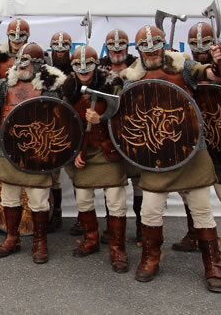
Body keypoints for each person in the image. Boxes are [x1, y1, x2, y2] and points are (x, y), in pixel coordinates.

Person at [121, 25, 221, 293]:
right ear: (139, 50)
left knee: (202, 209)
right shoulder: (133, 76)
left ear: (162, 45)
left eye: (156, 45)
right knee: (150, 210)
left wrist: (217, 62)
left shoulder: (183, 66)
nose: (152, 51)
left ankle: (213, 263)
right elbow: (123, 111)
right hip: (155, 154)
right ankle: (151, 257)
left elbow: (210, 75)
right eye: (145, 47)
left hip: (190, 149)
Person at [0, 42, 66, 264]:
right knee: (9, 197)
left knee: (38, 200)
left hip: (37, 152)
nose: (20, 66)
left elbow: (58, 120)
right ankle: (12, 237)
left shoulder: (50, 88)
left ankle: (40, 242)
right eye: (18, 62)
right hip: (9, 149)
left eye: (25, 62)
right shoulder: (7, 84)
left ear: (38, 65)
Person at [170, 21, 221, 275]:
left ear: (215, 43)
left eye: (205, 43)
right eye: (194, 44)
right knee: (190, 193)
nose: (199, 48)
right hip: (196, 144)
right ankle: (196, 234)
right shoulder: (189, 69)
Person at [62, 45, 129, 273]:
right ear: (72, 67)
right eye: (78, 66)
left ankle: (117, 249)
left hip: (108, 149)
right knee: (83, 199)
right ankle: (90, 240)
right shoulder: (67, 88)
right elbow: (64, 124)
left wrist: (102, 118)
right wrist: (73, 154)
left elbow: (124, 116)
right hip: (83, 152)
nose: (83, 69)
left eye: (88, 65)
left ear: (95, 65)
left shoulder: (112, 85)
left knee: (116, 201)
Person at [100, 29, 143, 242]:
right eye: (112, 46)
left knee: (138, 181)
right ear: (107, 47)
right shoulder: (98, 68)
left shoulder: (139, 66)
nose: (117, 50)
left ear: (128, 47)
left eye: (121, 45)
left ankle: (142, 226)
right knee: (111, 181)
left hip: (135, 129)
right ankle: (112, 226)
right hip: (108, 130)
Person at [48, 31, 73, 234]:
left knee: (80, 177)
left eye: (64, 45)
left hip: (75, 127)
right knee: (54, 176)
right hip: (53, 128)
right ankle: (56, 212)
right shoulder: (46, 70)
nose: (60, 49)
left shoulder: (79, 69)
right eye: (56, 45)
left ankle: (84, 217)